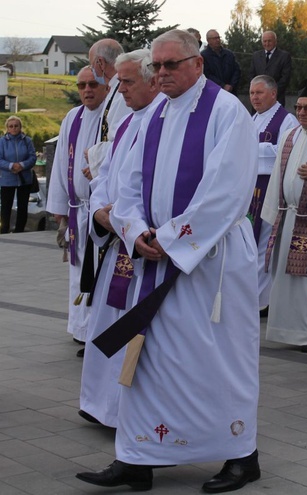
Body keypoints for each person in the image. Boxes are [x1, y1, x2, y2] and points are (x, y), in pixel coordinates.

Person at [75, 29, 262, 492]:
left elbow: (227, 190)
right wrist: (135, 230)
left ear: (197, 65)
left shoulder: (227, 112)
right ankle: (138, 456)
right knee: (149, 357)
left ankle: (241, 453)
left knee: (216, 358)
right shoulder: (154, 112)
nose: (161, 73)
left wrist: (172, 237)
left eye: (171, 65)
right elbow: (128, 182)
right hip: (155, 255)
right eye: (156, 66)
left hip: (210, 261)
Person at [78, 49, 164, 428]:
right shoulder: (128, 123)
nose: (120, 89)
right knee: (107, 324)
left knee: (131, 329)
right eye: (119, 82)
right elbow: (104, 175)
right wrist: (99, 212)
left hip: (140, 243)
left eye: (127, 82)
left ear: (152, 80)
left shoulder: (165, 122)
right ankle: (100, 405)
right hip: (117, 242)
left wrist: (123, 221)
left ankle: (121, 412)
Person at [260, 84, 307, 351]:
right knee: (284, 277)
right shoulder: (290, 135)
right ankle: (286, 331)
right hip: (288, 216)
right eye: (298, 107)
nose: (301, 112)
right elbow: (278, 175)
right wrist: (273, 212)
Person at [46, 66, 108, 350]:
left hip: (100, 210)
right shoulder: (73, 116)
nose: (87, 90)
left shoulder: (111, 116)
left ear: (106, 85)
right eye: (81, 85)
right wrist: (59, 207)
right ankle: (79, 326)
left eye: (93, 84)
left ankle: (95, 328)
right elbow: (61, 163)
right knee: (78, 268)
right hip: (76, 208)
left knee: (97, 270)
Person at [248, 75, 299, 313]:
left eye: (259, 93)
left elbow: (287, 151)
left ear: (273, 94)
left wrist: (255, 149)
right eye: (251, 94)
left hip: (270, 187)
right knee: (250, 241)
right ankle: (250, 295)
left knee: (264, 243)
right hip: (251, 188)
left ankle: (261, 301)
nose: (254, 98)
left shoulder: (286, 119)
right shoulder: (253, 118)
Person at [86, 39, 128, 174]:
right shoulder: (114, 88)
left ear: (100, 63)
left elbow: (120, 142)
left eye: (91, 65)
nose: (91, 70)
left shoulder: (122, 93)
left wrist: (92, 156)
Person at [0, 116, 36, 234]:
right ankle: (4, 230)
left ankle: (19, 230)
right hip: (7, 179)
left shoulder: (27, 141)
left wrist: (21, 165)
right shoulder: (2, 141)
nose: (14, 128)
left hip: (24, 179)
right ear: (7, 128)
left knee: (23, 206)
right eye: (11, 126)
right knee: (6, 207)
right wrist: (11, 166)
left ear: (20, 127)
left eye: (16, 126)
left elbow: (32, 157)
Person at [247, 31, 292, 106]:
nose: (267, 44)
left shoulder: (284, 56)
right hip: (258, 99)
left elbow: (285, 78)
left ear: (275, 41)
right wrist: (258, 91)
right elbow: (251, 75)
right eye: (265, 41)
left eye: (269, 41)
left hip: (276, 98)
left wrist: (271, 92)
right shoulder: (256, 56)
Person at [201, 29, 241, 95]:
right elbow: (206, 75)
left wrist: (231, 85)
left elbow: (237, 70)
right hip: (214, 93)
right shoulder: (204, 56)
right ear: (208, 40)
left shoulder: (229, 54)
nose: (218, 40)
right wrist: (222, 85)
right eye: (215, 38)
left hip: (231, 92)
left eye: (218, 37)